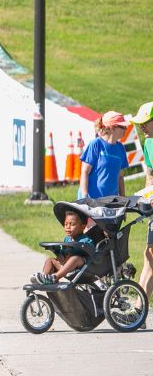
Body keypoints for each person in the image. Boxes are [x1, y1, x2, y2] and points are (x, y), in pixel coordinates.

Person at [33, 208, 94, 285]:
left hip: (82, 268)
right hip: (65, 266)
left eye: (72, 224)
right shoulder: (67, 239)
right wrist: (59, 253)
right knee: (50, 260)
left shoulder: (86, 240)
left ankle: (54, 277)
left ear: (83, 226)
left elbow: (90, 251)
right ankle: (45, 278)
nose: (68, 227)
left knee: (75, 258)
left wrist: (73, 251)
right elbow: (63, 252)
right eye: (66, 224)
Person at [78, 111, 129, 200]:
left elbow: (120, 177)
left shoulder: (120, 148)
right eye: (123, 127)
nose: (126, 129)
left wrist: (123, 201)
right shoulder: (96, 144)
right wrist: (84, 197)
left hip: (111, 201)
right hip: (91, 201)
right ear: (112, 128)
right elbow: (84, 172)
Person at [130, 102, 153, 300]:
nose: (142, 127)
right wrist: (146, 196)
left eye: (145, 122)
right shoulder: (148, 143)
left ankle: (138, 309)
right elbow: (150, 175)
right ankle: (139, 309)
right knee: (149, 257)